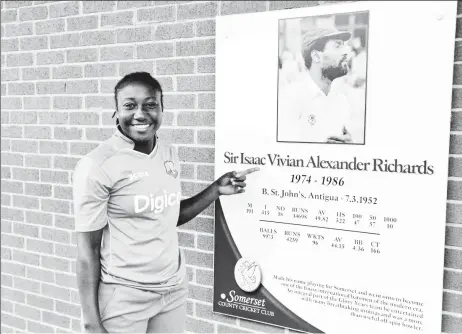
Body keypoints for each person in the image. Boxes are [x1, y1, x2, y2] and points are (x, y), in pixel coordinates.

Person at [72, 72, 259, 333]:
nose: (140, 113)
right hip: (125, 296)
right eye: (129, 105)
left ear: (162, 108)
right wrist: (92, 324)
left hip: (172, 291)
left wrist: (215, 189)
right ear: (115, 111)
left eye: (150, 104)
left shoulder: (168, 152)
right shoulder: (97, 165)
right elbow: (86, 253)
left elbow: (169, 215)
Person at [278, 27, 365, 144]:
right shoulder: (291, 98)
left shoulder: (342, 100)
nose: (346, 52)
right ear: (316, 56)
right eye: (338, 46)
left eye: (344, 46)